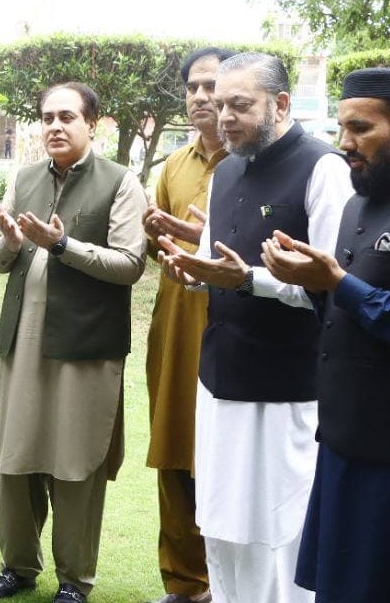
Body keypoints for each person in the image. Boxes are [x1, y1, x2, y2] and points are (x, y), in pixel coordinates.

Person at [156, 53, 351, 603]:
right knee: (220, 524)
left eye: (239, 105)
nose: (224, 117)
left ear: (280, 104)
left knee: (279, 534)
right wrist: (192, 271)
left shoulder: (323, 169)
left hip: (286, 390)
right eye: (220, 105)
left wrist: (249, 281)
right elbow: (216, 263)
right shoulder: (227, 170)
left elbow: (334, 285)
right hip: (219, 379)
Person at [261, 68, 390, 602]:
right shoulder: (357, 203)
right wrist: (311, 282)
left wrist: (339, 284)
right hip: (346, 448)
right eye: (341, 127)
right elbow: (349, 311)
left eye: (360, 128)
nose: (344, 143)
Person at [0, 82, 146, 603]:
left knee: (76, 462)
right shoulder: (23, 179)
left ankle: (74, 580)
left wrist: (63, 245)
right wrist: (10, 243)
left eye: (67, 117)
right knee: (15, 459)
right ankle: (17, 567)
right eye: (47, 117)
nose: (55, 126)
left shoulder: (121, 182)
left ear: (91, 124)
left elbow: (130, 264)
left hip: (85, 348)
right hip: (23, 343)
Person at [140, 47, 235, 603]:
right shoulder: (175, 165)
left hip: (230, 331)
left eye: (212, 86)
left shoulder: (250, 164)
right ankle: (183, 583)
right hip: (175, 328)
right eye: (193, 87)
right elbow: (159, 246)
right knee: (173, 450)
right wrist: (160, 234)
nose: (201, 96)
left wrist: (202, 242)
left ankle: (226, 585)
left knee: (221, 457)